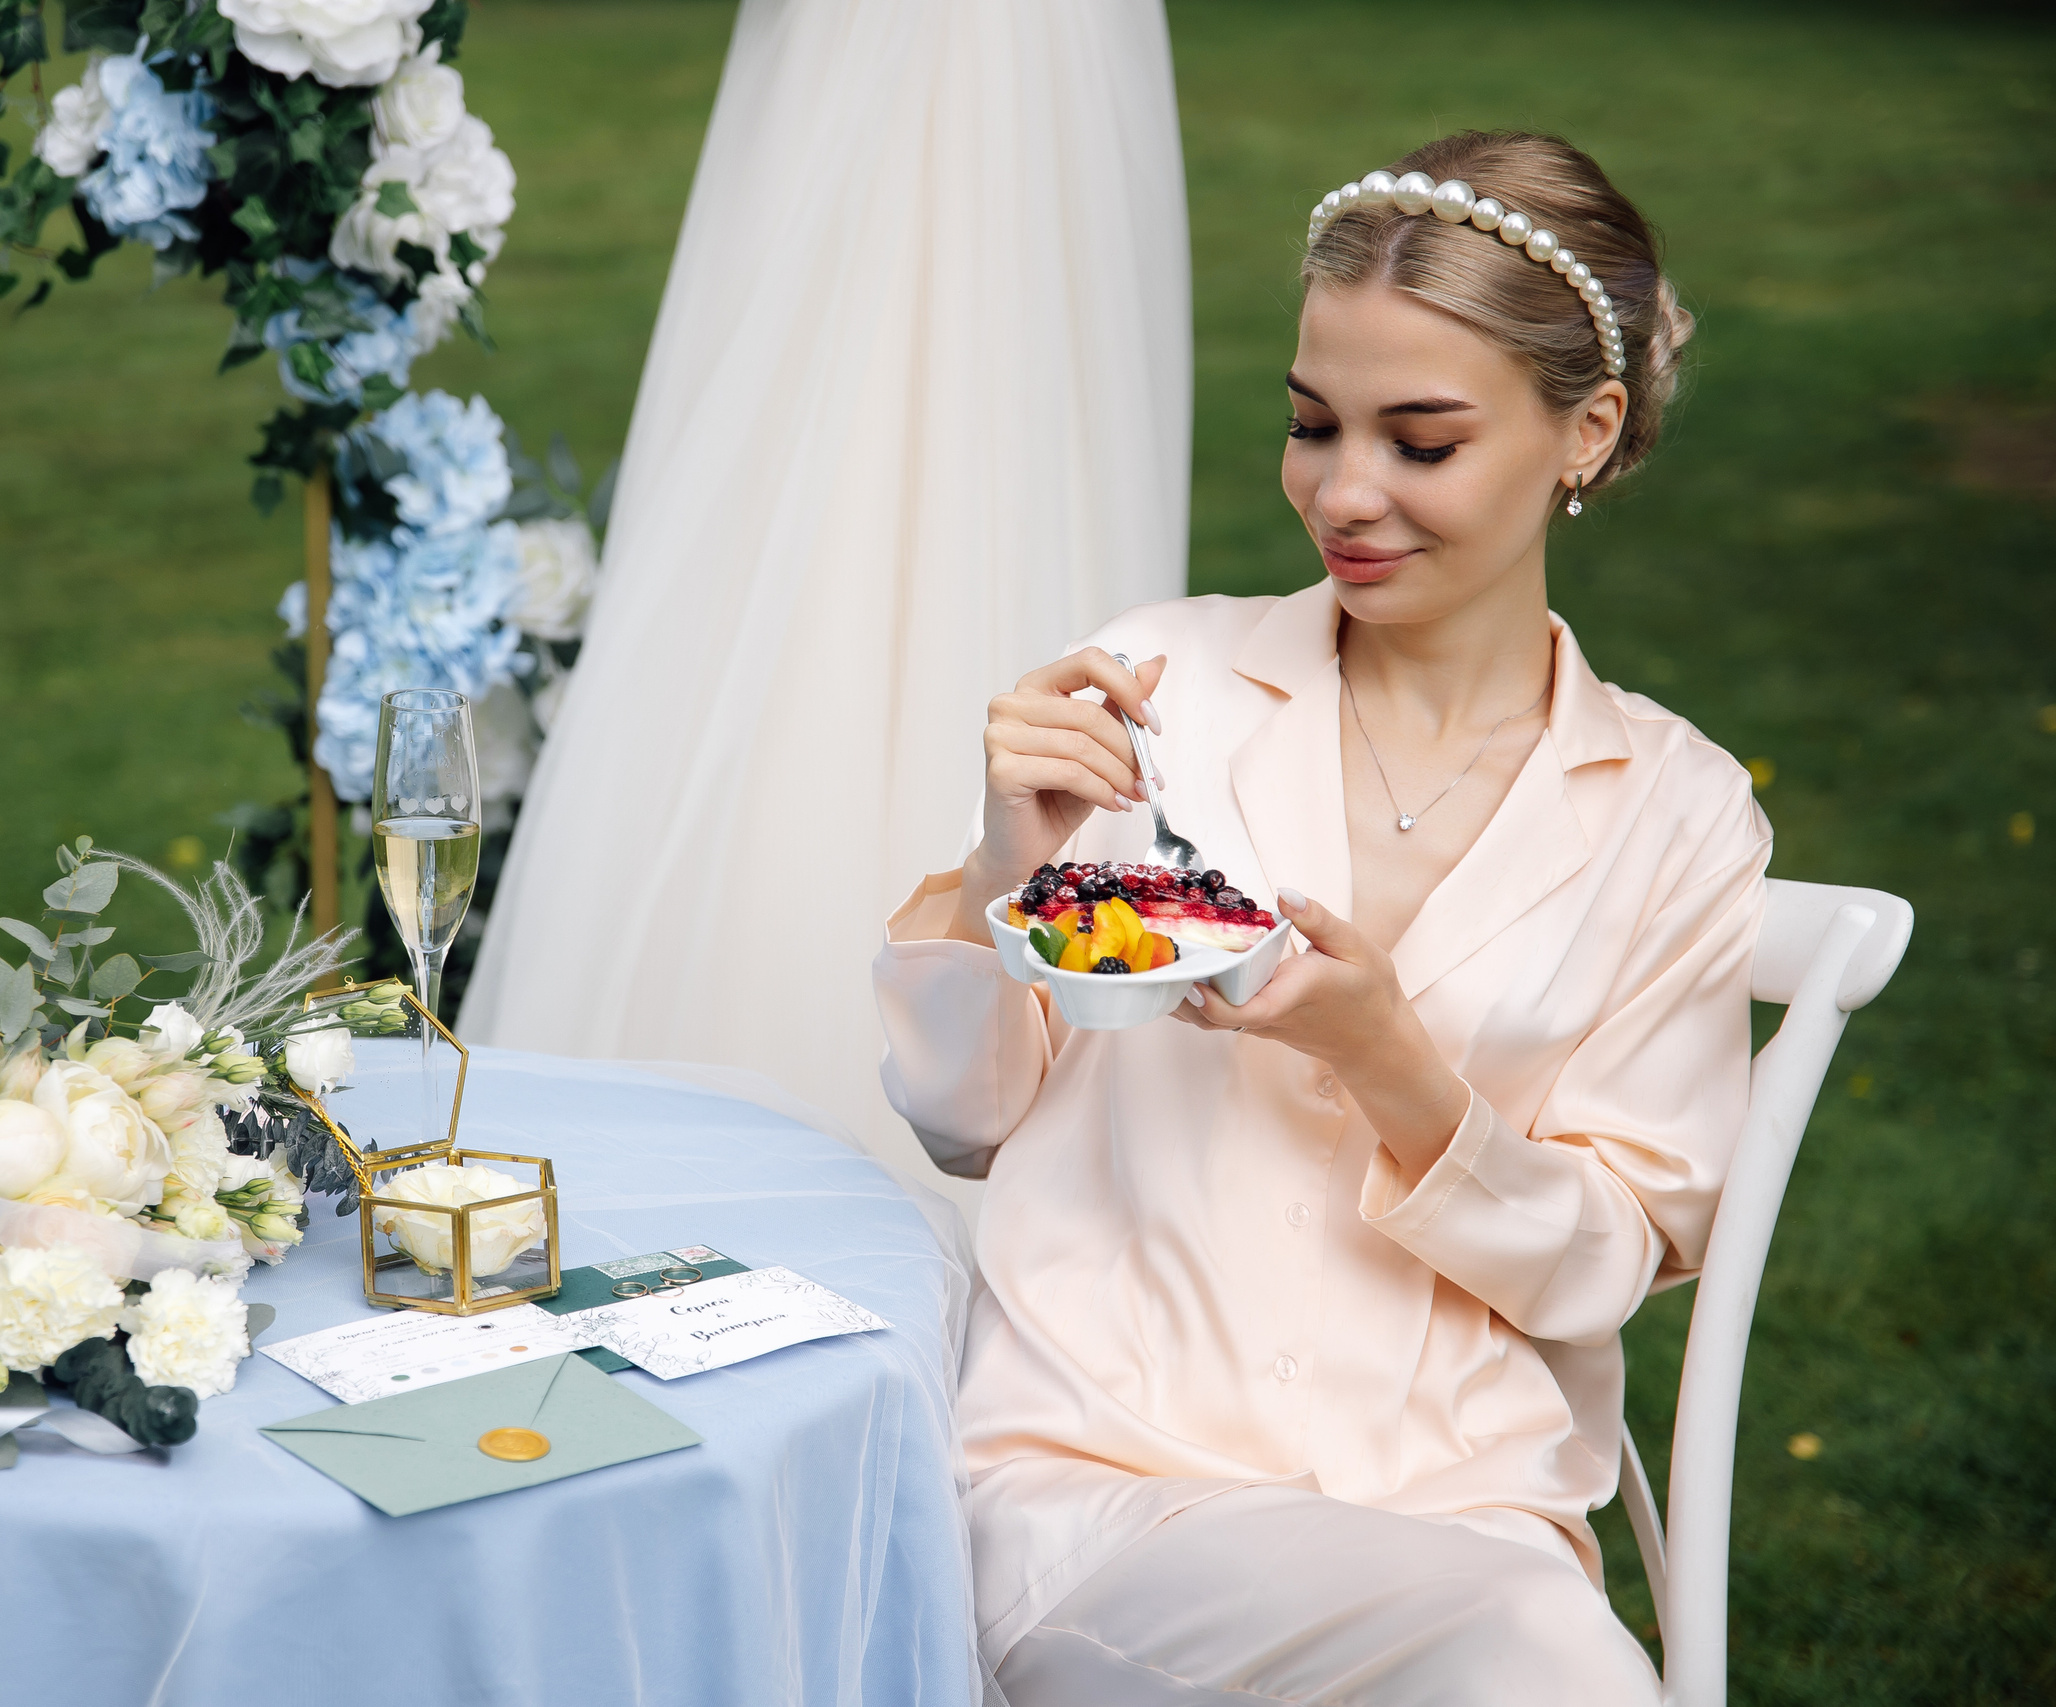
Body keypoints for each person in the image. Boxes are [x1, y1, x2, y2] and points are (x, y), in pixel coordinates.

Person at [875, 131, 1763, 1704]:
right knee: (1544, 1671)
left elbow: (1602, 1267)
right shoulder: (1162, 697)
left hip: (1461, 1513)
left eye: (1420, 441)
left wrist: (1392, 1063)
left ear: (1588, 430)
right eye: (1311, 425)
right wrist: (1003, 870)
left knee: (1520, 1646)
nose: (1343, 493)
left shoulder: (1676, 813)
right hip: (1107, 1488)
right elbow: (961, 1118)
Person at [458, 0, 1191, 1209]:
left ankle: (987, 1027)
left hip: (1017, 56)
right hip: (885, 60)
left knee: (979, 438)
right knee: (806, 474)